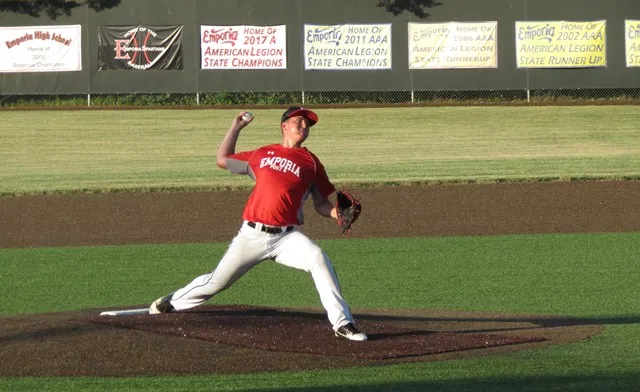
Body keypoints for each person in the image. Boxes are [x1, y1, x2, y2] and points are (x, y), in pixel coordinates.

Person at [149, 106, 367, 341]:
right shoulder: (262, 154)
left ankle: (343, 323)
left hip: (287, 238)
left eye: (308, 124)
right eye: (299, 121)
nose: (304, 126)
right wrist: (236, 127)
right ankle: (171, 301)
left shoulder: (311, 163)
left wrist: (337, 213)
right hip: (251, 235)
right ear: (284, 126)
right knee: (216, 283)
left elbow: (321, 204)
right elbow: (222, 160)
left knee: (318, 259)